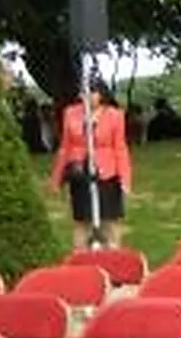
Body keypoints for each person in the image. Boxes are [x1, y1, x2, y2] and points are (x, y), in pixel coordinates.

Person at [50, 78, 132, 249]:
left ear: (101, 94)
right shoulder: (71, 113)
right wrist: (57, 177)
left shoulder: (115, 115)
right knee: (82, 220)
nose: (87, 96)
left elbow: (120, 148)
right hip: (80, 171)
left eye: (92, 92)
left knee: (110, 219)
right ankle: (80, 256)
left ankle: (114, 254)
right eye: (84, 92)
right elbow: (65, 146)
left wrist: (125, 179)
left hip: (107, 172)